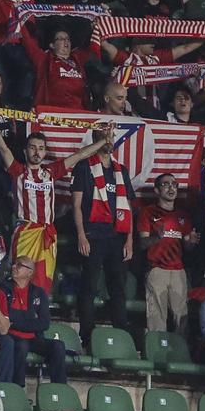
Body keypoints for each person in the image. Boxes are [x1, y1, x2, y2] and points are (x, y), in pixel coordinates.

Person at [0, 120, 109, 296]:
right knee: (18, 278)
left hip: (47, 234)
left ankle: (38, 316)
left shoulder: (51, 171)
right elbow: (4, 149)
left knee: (42, 282)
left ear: (45, 152)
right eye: (33, 147)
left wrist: (104, 141)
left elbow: (80, 155)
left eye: (41, 148)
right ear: (25, 150)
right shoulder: (18, 171)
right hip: (25, 233)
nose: (37, 152)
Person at [72, 122, 135, 346]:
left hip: (116, 237)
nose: (109, 140)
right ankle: (87, 336)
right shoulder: (84, 167)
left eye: (111, 136)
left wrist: (129, 240)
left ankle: (122, 334)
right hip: (93, 235)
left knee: (117, 288)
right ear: (96, 138)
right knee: (89, 286)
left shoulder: (121, 170)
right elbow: (77, 205)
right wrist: (81, 235)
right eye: (104, 135)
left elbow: (127, 207)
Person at [137, 172, 200, 333]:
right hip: (157, 270)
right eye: (166, 184)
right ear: (157, 190)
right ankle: (156, 351)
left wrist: (191, 242)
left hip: (178, 271)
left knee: (182, 316)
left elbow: (187, 247)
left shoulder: (183, 216)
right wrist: (156, 237)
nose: (171, 187)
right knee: (156, 317)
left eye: (174, 184)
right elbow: (142, 244)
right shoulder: (147, 212)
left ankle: (180, 353)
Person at [0, 255, 66, 384]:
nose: (14, 267)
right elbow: (4, 315)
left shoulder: (39, 293)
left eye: (19, 265)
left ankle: (60, 388)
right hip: (11, 337)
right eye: (14, 264)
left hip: (34, 339)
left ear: (29, 272)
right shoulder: (3, 288)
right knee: (21, 346)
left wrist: (15, 320)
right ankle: (18, 388)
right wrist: (29, 318)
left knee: (58, 346)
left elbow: (44, 323)